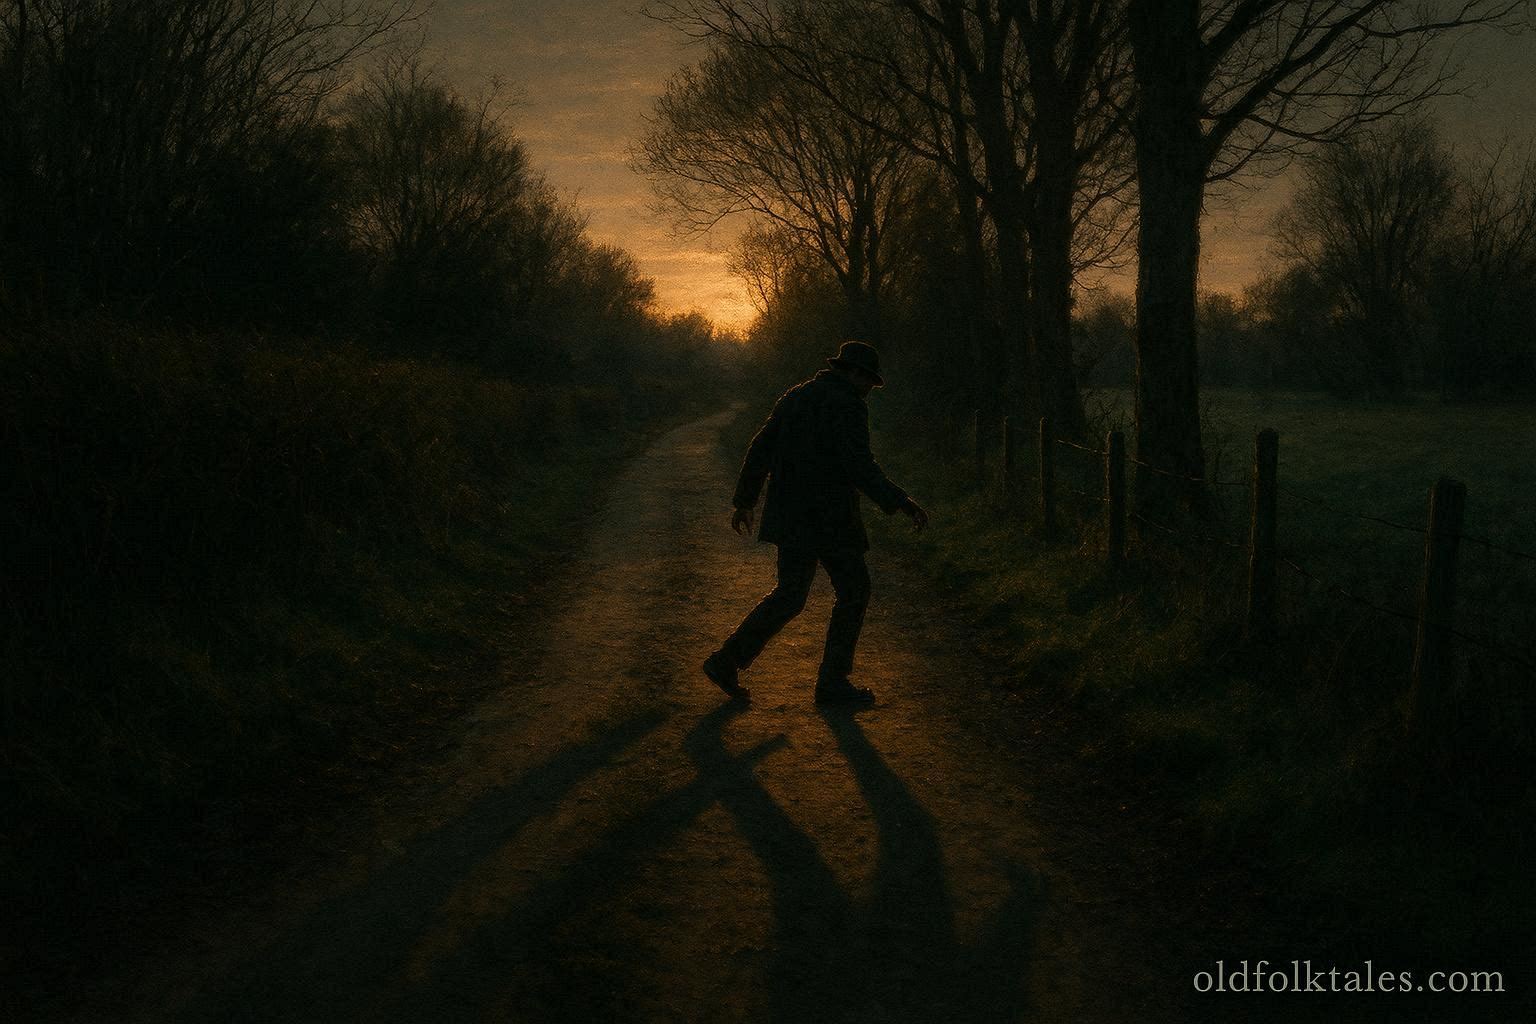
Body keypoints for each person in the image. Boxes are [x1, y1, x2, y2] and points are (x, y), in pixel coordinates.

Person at [702, 340, 929, 705]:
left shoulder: (796, 396)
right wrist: (902, 502)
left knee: (790, 594)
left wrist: (745, 501)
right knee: (854, 592)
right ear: (853, 373)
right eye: (868, 381)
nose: (869, 389)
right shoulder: (847, 405)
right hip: (830, 519)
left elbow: (761, 448)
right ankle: (832, 683)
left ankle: (726, 661)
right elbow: (859, 466)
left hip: (791, 516)